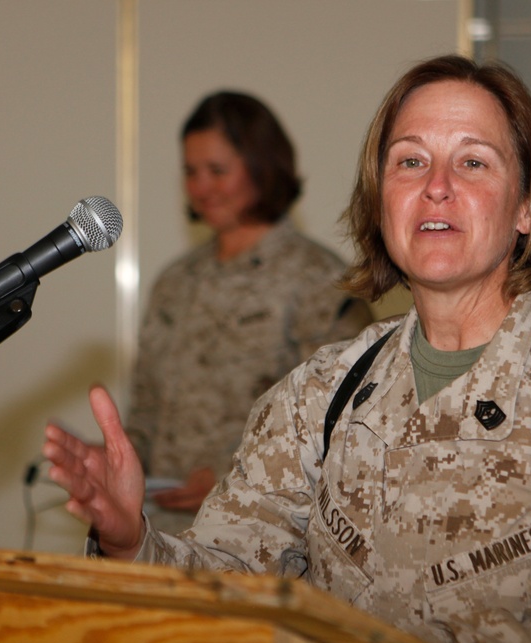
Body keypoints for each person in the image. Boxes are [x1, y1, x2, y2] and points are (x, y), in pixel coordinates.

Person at [42, 55, 531, 643]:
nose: (436, 187)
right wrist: (134, 540)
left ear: (529, 205)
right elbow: (229, 579)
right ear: (380, 202)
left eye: (473, 163)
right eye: (410, 162)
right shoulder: (321, 391)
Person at [125, 91, 373, 532]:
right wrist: (119, 464)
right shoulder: (175, 282)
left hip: (261, 536)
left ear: (261, 167)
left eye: (217, 170)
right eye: (190, 172)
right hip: (157, 536)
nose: (202, 187)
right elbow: (146, 404)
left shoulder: (318, 278)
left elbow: (343, 421)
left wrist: (233, 473)